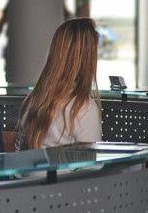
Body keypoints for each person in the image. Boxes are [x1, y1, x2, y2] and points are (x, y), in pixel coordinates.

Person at [15, 18, 102, 150]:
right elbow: (92, 167)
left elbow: (18, 152)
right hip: (71, 172)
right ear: (88, 58)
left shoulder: (33, 100)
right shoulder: (83, 108)